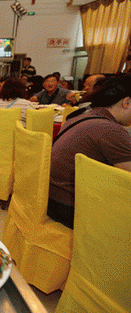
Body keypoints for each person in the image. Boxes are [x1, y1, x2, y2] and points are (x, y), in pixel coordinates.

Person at [48, 75, 131, 229]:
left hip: (51, 198)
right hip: (70, 208)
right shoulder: (110, 130)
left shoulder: (81, 116)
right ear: (126, 102)